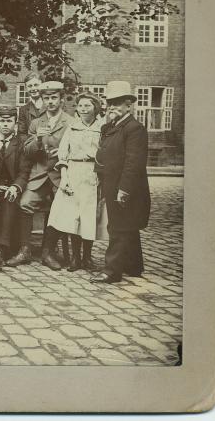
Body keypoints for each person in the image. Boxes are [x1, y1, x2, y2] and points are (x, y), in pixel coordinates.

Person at [91, 81, 151, 284]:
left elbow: (134, 163)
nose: (112, 107)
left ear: (129, 105)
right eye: (110, 103)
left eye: (117, 103)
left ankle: (112, 271)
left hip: (126, 186)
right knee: (128, 224)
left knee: (118, 226)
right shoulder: (110, 127)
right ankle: (134, 266)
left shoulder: (135, 129)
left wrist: (124, 189)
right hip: (110, 182)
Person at [47, 92, 106, 272]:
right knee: (73, 216)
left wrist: (101, 176)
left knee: (88, 216)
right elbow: (63, 154)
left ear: (95, 108)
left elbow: (106, 154)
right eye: (80, 106)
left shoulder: (103, 128)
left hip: (92, 173)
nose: (83, 109)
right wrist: (65, 178)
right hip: (73, 171)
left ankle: (87, 257)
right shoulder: (72, 127)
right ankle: (75, 258)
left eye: (87, 106)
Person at [19, 81, 73, 271]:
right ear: (42, 100)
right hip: (40, 174)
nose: (50, 102)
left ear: (61, 99)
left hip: (60, 175)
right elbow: (26, 152)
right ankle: (25, 250)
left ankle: (47, 252)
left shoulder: (70, 122)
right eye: (46, 98)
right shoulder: (36, 122)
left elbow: (75, 149)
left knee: (60, 207)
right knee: (25, 203)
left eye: (53, 98)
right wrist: (37, 141)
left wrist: (64, 153)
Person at [0, 106, 33, 267]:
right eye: (2, 121)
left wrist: (15, 187)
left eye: (9, 121)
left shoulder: (22, 143)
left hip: (12, 188)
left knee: (9, 202)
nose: (5, 124)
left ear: (16, 124)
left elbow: (24, 171)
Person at [17, 72, 46, 136]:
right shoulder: (23, 110)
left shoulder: (50, 106)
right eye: (30, 86)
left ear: (42, 85)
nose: (33, 88)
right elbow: (22, 135)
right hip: (31, 144)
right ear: (26, 88)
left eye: (36, 85)